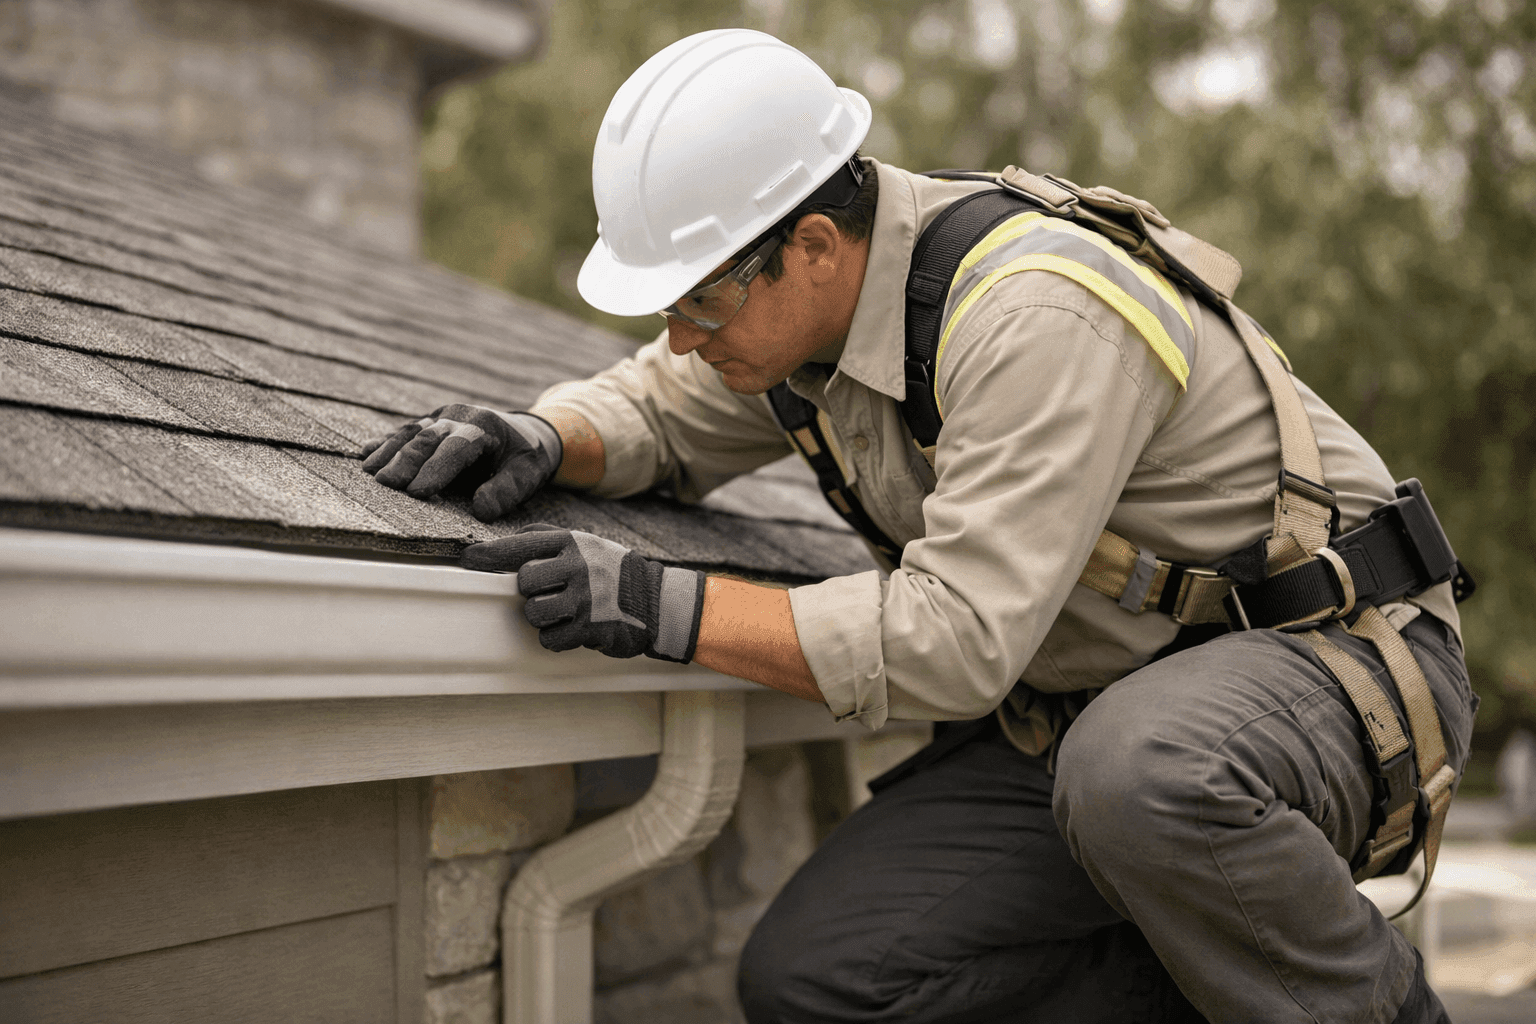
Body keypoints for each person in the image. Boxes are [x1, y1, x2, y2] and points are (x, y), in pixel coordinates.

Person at [362, 29, 1475, 1024]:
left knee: (1138, 773)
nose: (686, 336)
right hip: (1101, 711)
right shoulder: (799, 326)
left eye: (701, 300)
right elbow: (657, 407)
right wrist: (541, 435)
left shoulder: (1035, 311)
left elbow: (955, 641)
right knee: (821, 974)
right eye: (671, 308)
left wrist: (657, 604)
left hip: (1329, 666)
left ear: (812, 245)